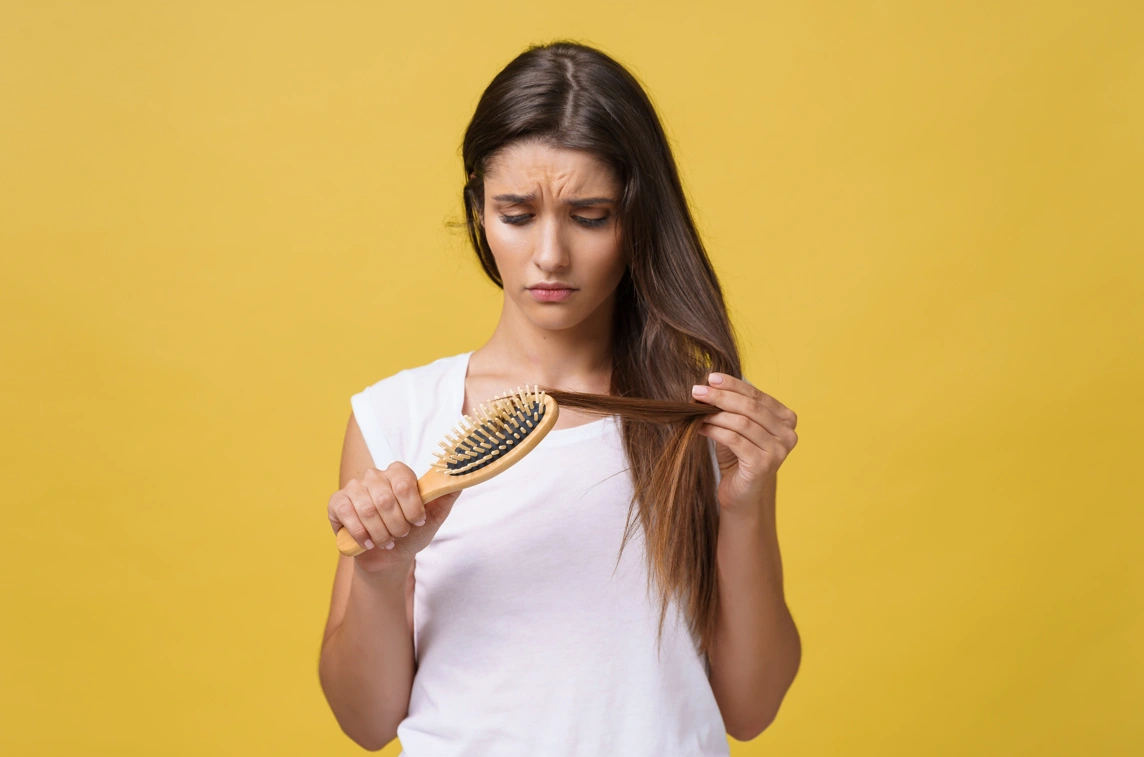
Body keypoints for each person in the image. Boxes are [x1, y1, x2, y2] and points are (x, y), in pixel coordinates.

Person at [318, 40, 801, 756]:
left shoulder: (700, 420)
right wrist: (381, 574)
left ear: (636, 217)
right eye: (516, 214)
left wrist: (746, 503)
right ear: (478, 211)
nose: (550, 255)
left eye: (590, 215)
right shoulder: (397, 418)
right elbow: (366, 724)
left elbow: (751, 708)